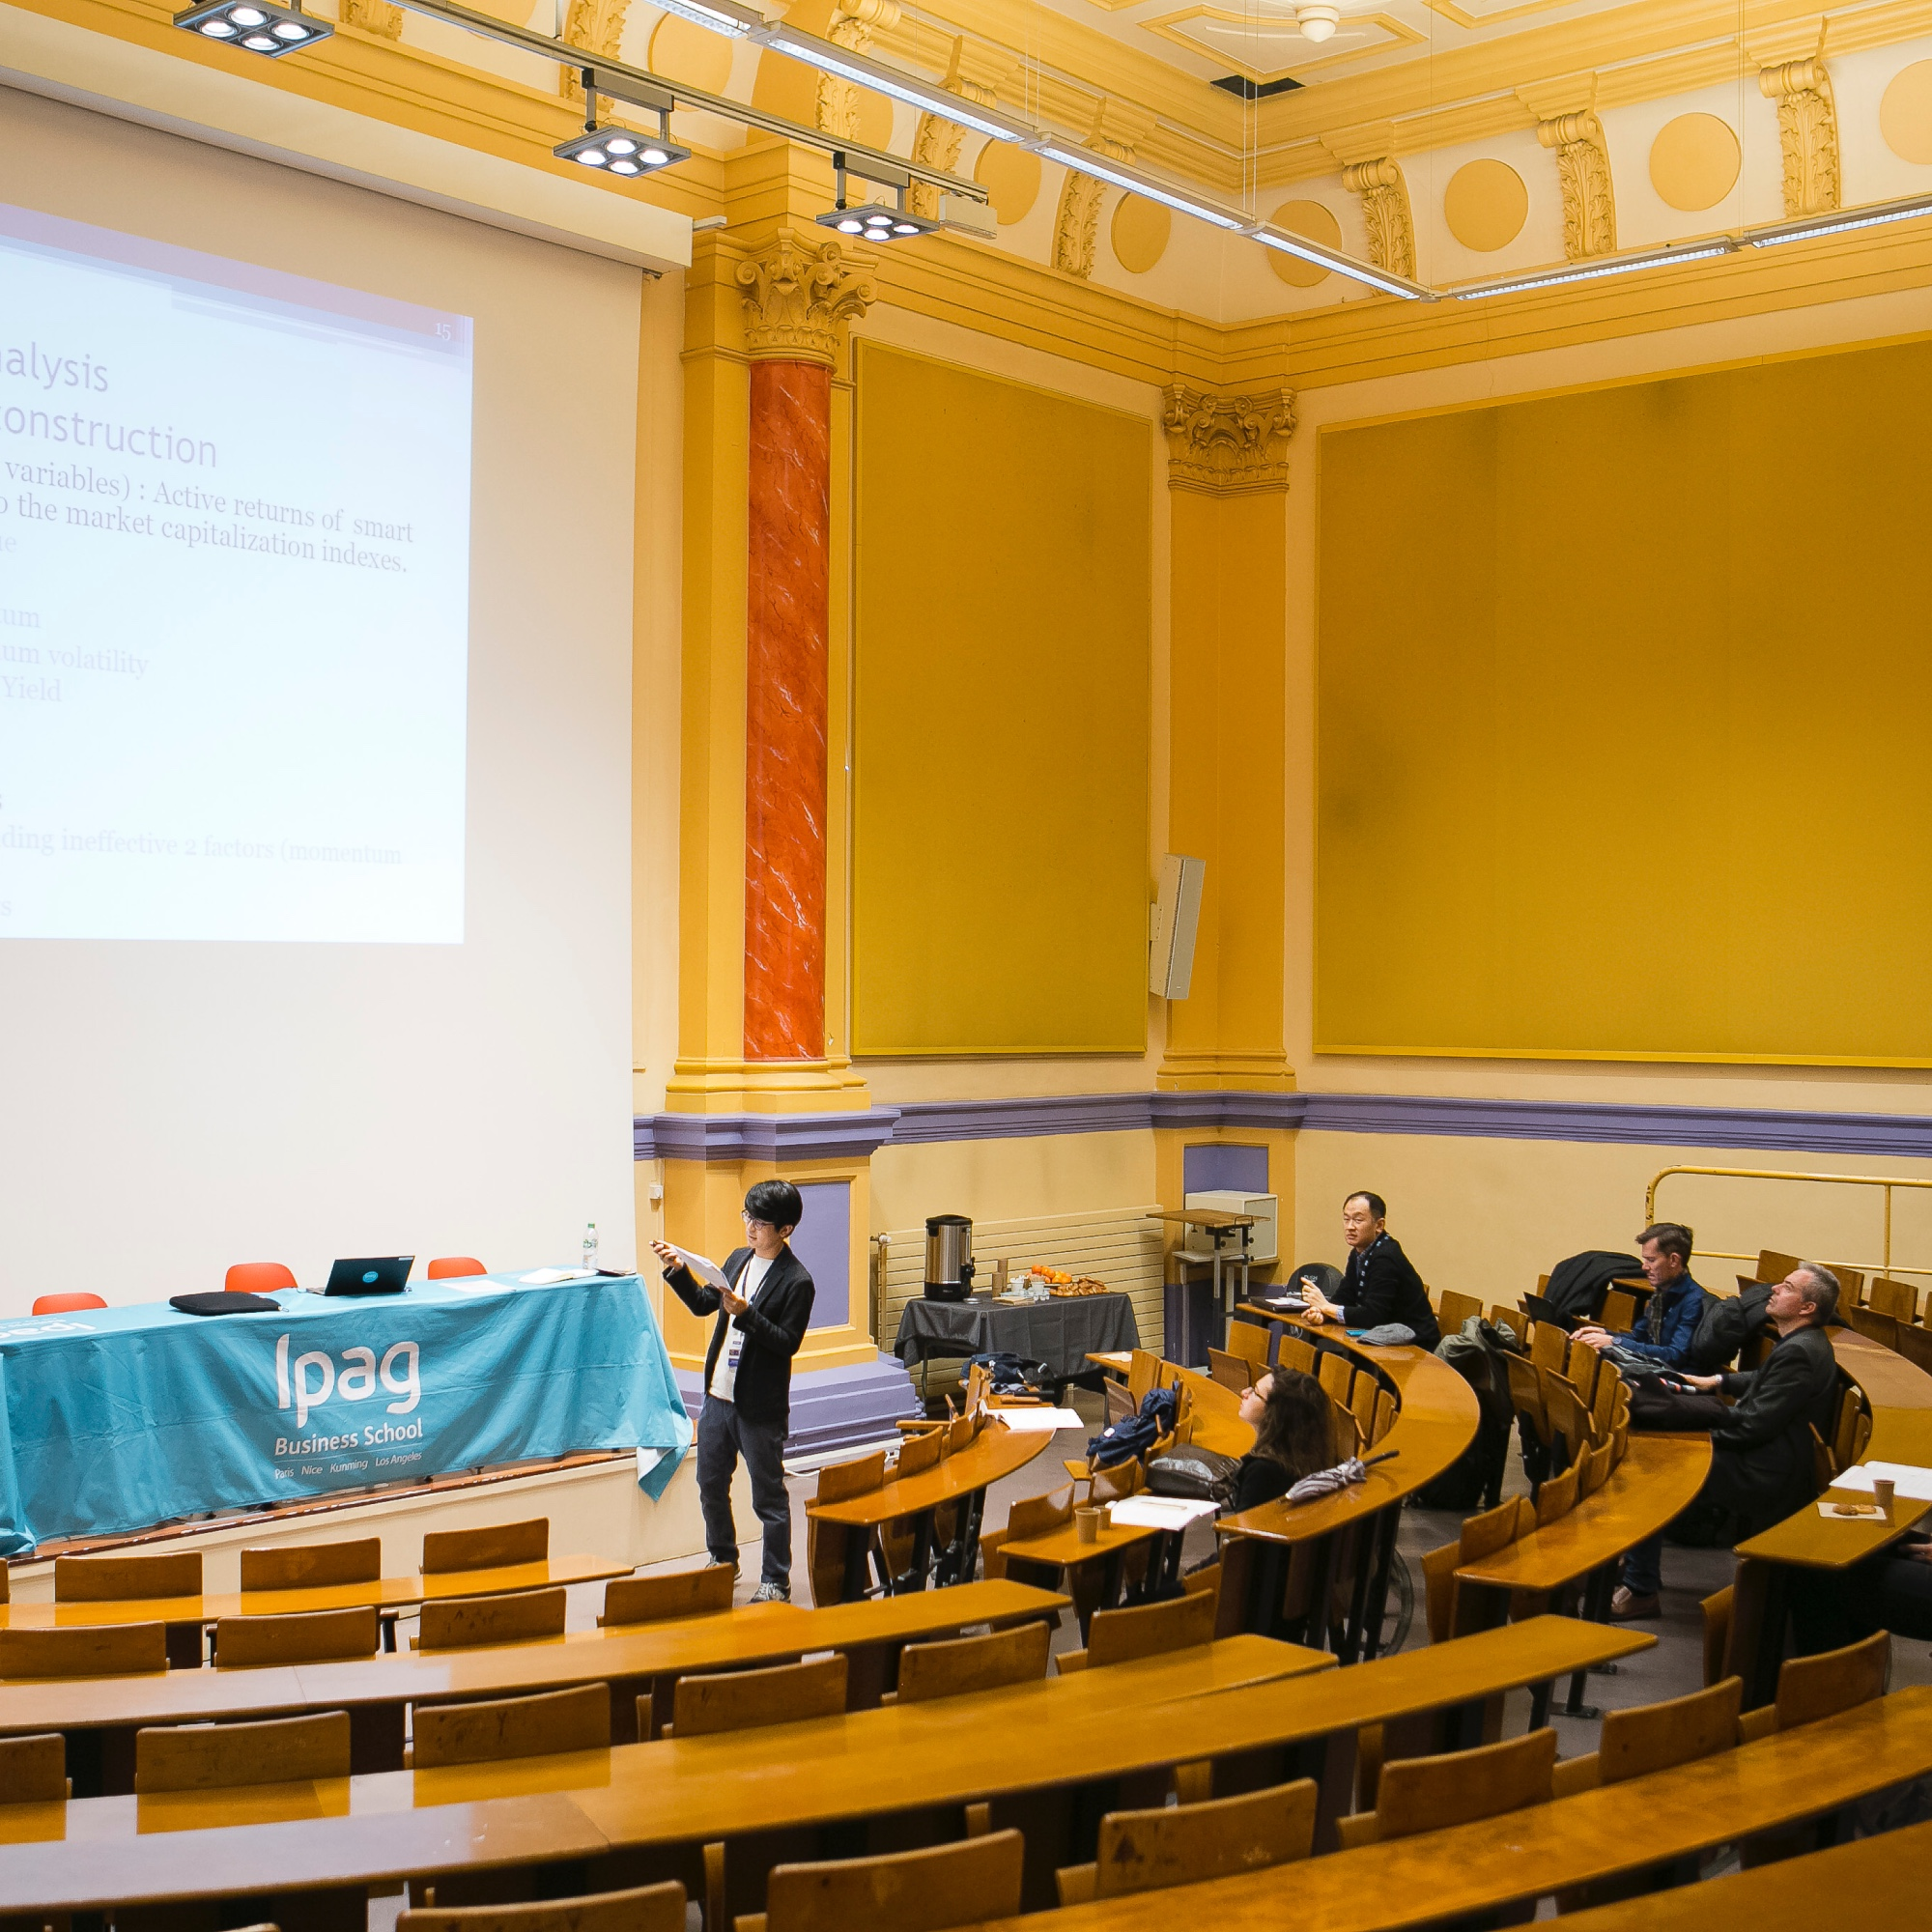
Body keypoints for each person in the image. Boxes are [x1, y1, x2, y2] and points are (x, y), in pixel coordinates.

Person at [1611, 1261, 1841, 1620]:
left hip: (1765, 1469)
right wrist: (1717, 1382)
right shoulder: (1803, 1342)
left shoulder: (1800, 1351)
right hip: (1768, 1452)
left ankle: (1640, 1589)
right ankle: (1633, 1558)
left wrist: (1697, 1433)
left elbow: (1751, 1427)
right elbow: (1765, 1378)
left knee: (1656, 1466)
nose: (1773, 1289)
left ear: (1807, 1308)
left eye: (1787, 1287)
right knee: (1661, 1445)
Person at [651, 1180, 814, 1604]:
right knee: (709, 1484)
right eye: (748, 1216)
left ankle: (776, 1580)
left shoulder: (797, 1280)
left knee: (768, 1497)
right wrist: (677, 1270)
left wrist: (747, 1314)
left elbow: (787, 1342)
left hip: (758, 1406)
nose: (750, 1227)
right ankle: (723, 1559)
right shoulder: (739, 1259)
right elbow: (703, 1304)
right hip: (717, 1396)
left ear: (785, 1229)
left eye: (760, 1222)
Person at [1299, 1191, 1441, 1350]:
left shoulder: (1386, 1256)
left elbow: (1374, 1315)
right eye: (1346, 1219)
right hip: (1384, 1338)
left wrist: (1326, 1307)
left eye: (1358, 1220)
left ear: (1379, 1225)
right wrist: (1322, 1313)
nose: (1350, 1227)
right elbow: (1345, 1296)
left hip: (1415, 1343)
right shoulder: (1358, 1252)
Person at [1571, 1222, 1705, 1370]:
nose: (1644, 1267)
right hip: (1651, 1368)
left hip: (1672, 1376)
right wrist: (1605, 1334)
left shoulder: (1694, 1300)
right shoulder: (1660, 1294)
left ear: (1674, 1260)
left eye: (1651, 1260)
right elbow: (1639, 1338)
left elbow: (1675, 1355)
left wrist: (1614, 1342)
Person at [1231, 1368, 1332, 1512]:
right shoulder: (1302, 1457)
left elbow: (1241, 1524)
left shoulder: (1262, 1471)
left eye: (1255, 1392)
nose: (1244, 1392)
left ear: (1274, 1414)